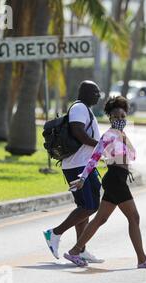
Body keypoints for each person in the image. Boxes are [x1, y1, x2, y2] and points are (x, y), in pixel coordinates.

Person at [64, 96, 146, 269]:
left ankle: (74, 251)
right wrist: (82, 178)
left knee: (100, 219)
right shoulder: (109, 135)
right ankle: (142, 259)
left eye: (123, 117)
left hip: (116, 180)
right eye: (116, 117)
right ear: (110, 118)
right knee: (134, 217)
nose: (120, 120)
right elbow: (94, 158)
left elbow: (130, 156)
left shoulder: (122, 134)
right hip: (115, 179)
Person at [43, 80, 104, 264]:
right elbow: (78, 132)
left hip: (85, 165)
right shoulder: (78, 108)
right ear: (84, 92)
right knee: (89, 206)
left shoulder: (85, 108)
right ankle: (54, 233)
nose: (98, 95)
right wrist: (100, 144)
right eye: (94, 91)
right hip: (77, 165)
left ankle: (81, 249)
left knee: (86, 205)